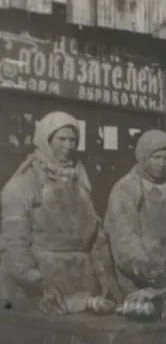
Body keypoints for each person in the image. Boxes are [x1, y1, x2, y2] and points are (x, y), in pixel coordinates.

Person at [0, 111, 121, 313]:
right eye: (61, 139)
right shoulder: (24, 182)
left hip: (82, 283)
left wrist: (106, 277)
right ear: (46, 140)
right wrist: (36, 282)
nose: (68, 146)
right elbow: (14, 243)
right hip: (40, 290)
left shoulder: (79, 179)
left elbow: (96, 235)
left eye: (73, 140)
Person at [103, 130, 166, 298]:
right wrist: (146, 269)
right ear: (143, 157)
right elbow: (124, 237)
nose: (162, 164)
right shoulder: (126, 188)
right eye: (156, 158)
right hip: (135, 282)